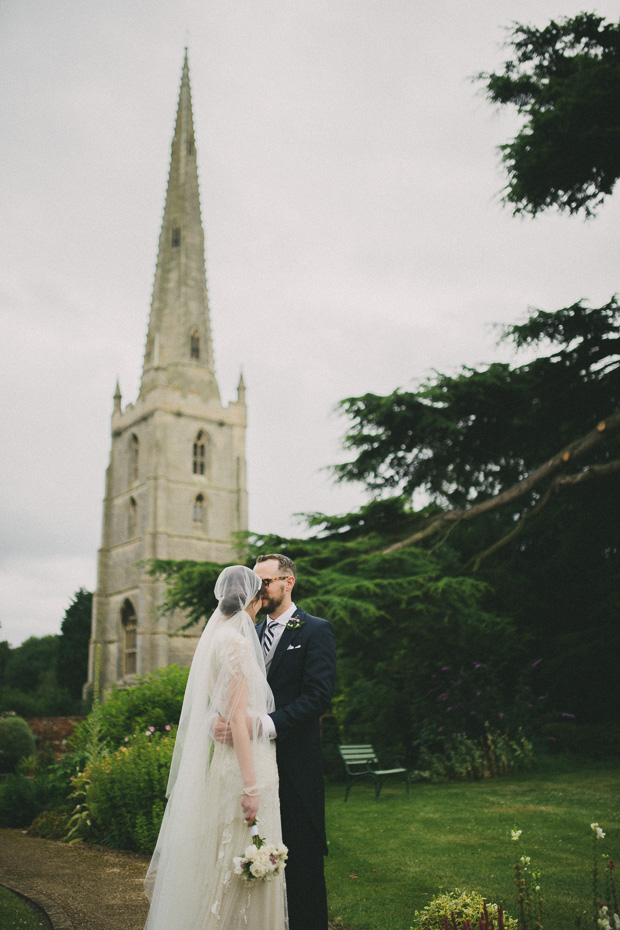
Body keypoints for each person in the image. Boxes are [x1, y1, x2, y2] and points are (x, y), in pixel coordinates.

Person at [143, 565, 287, 930]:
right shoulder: (237, 643)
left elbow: (213, 706)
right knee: (241, 855)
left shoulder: (214, 638)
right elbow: (238, 719)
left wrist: (212, 723)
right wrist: (251, 788)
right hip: (246, 763)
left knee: (225, 856)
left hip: (225, 762)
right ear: (252, 598)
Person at [253, 554, 337, 930]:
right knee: (258, 855)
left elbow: (318, 696)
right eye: (256, 583)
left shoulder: (315, 630)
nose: (260, 590)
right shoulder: (249, 633)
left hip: (296, 766)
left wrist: (268, 725)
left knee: (301, 861)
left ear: (288, 582)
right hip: (254, 765)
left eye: (266, 582)